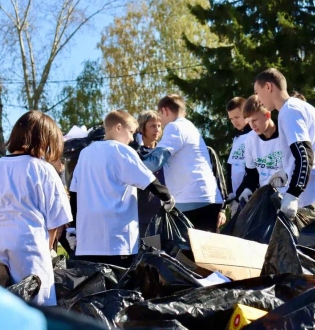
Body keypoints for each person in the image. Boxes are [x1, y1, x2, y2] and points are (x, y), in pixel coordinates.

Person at [70, 110, 174, 268]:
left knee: (94, 289)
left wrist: (73, 227)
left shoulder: (85, 154)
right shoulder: (122, 151)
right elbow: (149, 181)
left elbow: (74, 193)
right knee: (120, 288)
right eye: (131, 132)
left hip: (88, 240)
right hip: (117, 239)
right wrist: (167, 198)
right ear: (118, 127)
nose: (132, 138)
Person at [0, 111, 72, 305]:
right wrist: (48, 249)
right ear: (44, 141)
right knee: (36, 310)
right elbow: (56, 220)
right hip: (30, 249)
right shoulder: (44, 170)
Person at [253, 68, 315, 217]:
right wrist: (287, 172)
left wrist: (293, 193)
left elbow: (304, 154)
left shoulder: (289, 111)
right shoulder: (304, 107)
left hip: (312, 198)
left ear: (268, 87)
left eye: (257, 92)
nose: (257, 98)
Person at [157, 94, 225, 232]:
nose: (161, 122)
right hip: (207, 198)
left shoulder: (174, 127)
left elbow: (157, 158)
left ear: (164, 111)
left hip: (192, 200)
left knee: (191, 251)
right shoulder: (190, 127)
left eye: (160, 115)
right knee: (207, 250)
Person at [235, 95, 284, 202]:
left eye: (255, 120)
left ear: (267, 115)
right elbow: (252, 174)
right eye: (249, 122)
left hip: (287, 197)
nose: (252, 126)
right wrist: (248, 188)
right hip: (265, 198)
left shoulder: (285, 134)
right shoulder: (250, 139)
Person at [136, 110, 165, 237]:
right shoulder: (135, 152)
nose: (157, 129)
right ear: (142, 128)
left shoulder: (164, 151)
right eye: (152, 126)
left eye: (159, 126)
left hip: (163, 211)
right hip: (141, 212)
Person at [225, 97, 252, 216]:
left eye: (237, 117)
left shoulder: (254, 135)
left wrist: (242, 191)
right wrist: (230, 191)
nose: (234, 121)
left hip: (248, 196)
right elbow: (230, 166)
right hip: (236, 197)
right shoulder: (236, 138)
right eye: (231, 118)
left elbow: (252, 170)